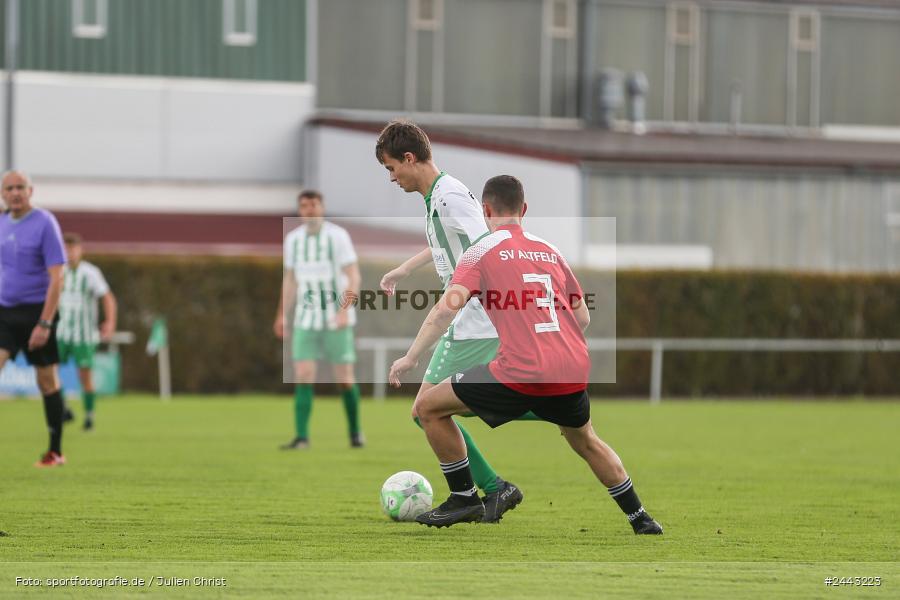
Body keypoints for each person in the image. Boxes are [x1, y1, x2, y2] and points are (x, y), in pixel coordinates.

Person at [389, 175, 663, 534]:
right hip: (571, 370)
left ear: (485, 210)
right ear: (525, 209)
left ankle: (465, 497)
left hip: (520, 372)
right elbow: (582, 316)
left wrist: (410, 358)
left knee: (427, 408)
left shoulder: (480, 251)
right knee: (586, 440)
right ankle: (640, 519)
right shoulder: (550, 250)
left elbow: (444, 310)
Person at [375, 119, 523, 523]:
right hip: (469, 320)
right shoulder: (438, 197)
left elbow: (489, 245)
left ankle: (478, 493)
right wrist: (403, 270)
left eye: (391, 168)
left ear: (409, 158)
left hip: (474, 321)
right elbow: (445, 243)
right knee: (430, 410)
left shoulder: (450, 198)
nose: (391, 177)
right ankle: (491, 489)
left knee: (427, 409)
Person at [274, 190, 364, 449]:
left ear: (322, 207)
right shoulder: (293, 240)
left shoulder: (338, 236)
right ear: (299, 210)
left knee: (344, 377)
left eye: (313, 205)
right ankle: (302, 437)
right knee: (303, 374)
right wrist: (282, 314)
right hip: (305, 319)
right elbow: (290, 279)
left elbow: (353, 275)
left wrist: (345, 310)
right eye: (304, 206)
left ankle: (355, 433)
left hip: (336, 318)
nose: (309, 210)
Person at [0, 170, 68, 467]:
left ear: (31, 190)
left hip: (37, 312)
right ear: (2, 194)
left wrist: (45, 322)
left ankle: (54, 451)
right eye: (9, 188)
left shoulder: (45, 223)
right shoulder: (1, 223)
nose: (15, 192)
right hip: (4, 311)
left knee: (47, 380)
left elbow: (57, 277)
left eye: (20, 187)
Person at [57, 233, 117, 431]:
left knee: (85, 377)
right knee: (49, 372)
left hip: (84, 335)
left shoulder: (90, 273)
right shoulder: (57, 271)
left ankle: (89, 417)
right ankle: (64, 408)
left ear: (80, 250)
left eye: (73, 249)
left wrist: (109, 322)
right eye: (66, 249)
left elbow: (107, 297)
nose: (70, 253)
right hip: (61, 333)